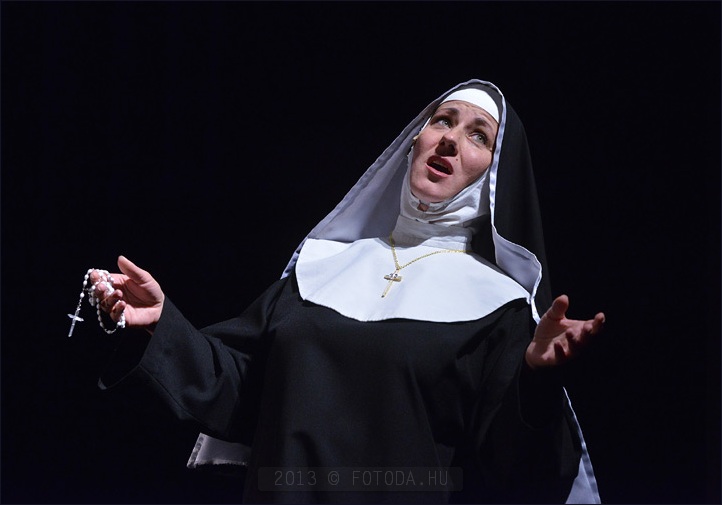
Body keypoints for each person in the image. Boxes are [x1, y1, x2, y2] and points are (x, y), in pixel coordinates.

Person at [89, 79, 605, 503]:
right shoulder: (324, 267)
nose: (450, 139)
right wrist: (163, 322)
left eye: (478, 136)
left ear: (494, 174)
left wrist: (535, 381)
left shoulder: (497, 307)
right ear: (415, 142)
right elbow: (239, 387)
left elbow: (512, 471)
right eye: (442, 121)